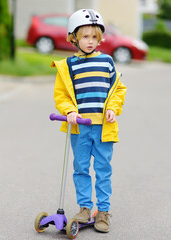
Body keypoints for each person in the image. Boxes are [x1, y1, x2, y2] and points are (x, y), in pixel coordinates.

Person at [51, 9, 127, 233]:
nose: (91, 41)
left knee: (103, 170)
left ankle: (102, 211)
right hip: (79, 128)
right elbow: (61, 95)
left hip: (104, 127)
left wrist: (113, 108)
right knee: (81, 168)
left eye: (95, 37)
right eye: (85, 37)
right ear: (73, 37)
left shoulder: (106, 62)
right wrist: (69, 111)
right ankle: (85, 208)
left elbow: (118, 89)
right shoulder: (68, 66)